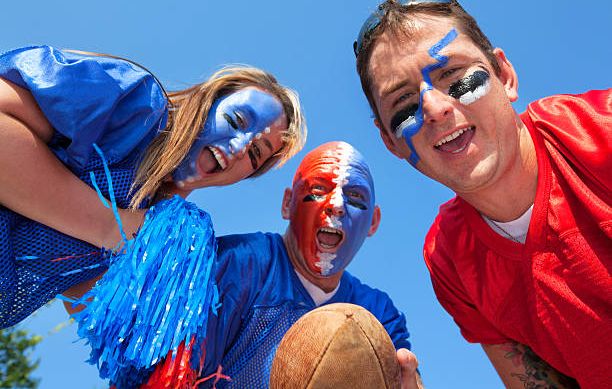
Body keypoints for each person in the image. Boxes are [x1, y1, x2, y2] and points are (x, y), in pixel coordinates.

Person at [353, 0, 611, 389]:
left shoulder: (601, 131)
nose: (435, 109)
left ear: (505, 75)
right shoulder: (450, 262)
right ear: (391, 142)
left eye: (454, 76)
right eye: (403, 105)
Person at [66, 141, 422, 389]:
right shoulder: (235, 266)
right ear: (287, 204)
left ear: (373, 222)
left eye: (355, 198)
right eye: (316, 191)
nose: (337, 206)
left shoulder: (378, 313)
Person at [0, 45, 306, 330]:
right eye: (236, 120)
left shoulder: (160, 230)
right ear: (205, 102)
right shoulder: (136, 106)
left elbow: (93, 311)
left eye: (255, 154)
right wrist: (111, 226)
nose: (240, 147)